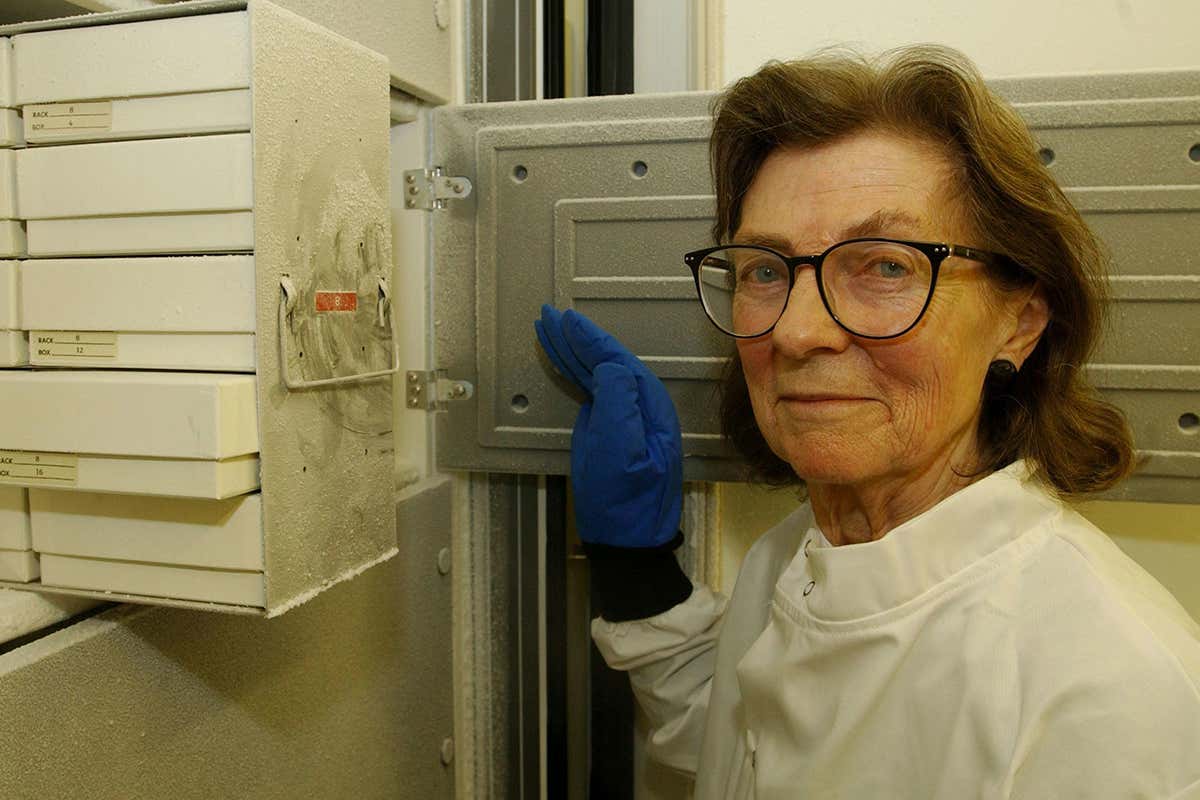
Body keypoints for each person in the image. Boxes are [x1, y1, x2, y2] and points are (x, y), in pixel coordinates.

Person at [535, 46, 1200, 798]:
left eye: (886, 266)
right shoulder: (792, 558)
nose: (797, 332)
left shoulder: (1113, 691)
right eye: (764, 268)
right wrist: (635, 570)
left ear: (1019, 322)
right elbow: (746, 742)